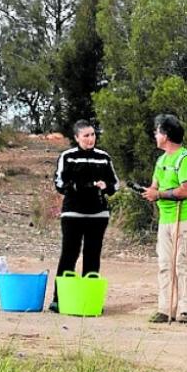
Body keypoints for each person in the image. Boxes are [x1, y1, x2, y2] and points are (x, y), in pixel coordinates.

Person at [51, 120, 119, 312]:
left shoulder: (104, 157)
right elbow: (59, 183)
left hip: (98, 214)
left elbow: (115, 183)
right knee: (69, 254)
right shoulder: (68, 156)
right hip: (73, 213)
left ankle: (89, 298)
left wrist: (107, 187)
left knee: (92, 254)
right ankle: (59, 298)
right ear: (77, 138)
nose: (91, 139)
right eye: (86, 136)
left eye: (93, 135)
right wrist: (82, 186)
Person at [141, 113, 187, 324]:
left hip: (185, 217)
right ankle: (166, 308)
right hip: (166, 219)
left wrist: (158, 194)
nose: (155, 135)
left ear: (165, 135)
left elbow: (186, 190)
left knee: (183, 263)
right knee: (165, 264)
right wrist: (151, 192)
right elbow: (155, 186)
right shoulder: (161, 161)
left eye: (157, 131)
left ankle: (186, 308)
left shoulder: (186, 159)